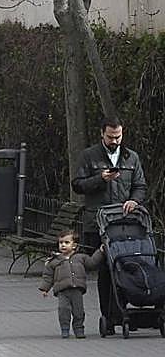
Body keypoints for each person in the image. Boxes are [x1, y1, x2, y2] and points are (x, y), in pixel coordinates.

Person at [71, 118, 148, 323]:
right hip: (98, 222)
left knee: (125, 266)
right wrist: (100, 179)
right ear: (102, 134)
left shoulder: (131, 157)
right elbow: (77, 185)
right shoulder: (89, 156)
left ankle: (123, 313)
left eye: (118, 137)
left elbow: (140, 186)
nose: (114, 141)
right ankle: (109, 316)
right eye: (110, 137)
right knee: (105, 270)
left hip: (124, 222)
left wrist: (134, 200)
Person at [38, 228, 103, 338]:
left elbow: (92, 263)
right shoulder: (55, 260)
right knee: (63, 310)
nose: (63, 245)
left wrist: (100, 252)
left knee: (79, 311)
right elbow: (48, 275)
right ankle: (65, 328)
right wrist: (45, 288)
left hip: (77, 289)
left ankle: (79, 329)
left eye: (66, 242)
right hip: (62, 290)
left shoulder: (81, 257)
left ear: (74, 245)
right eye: (61, 243)